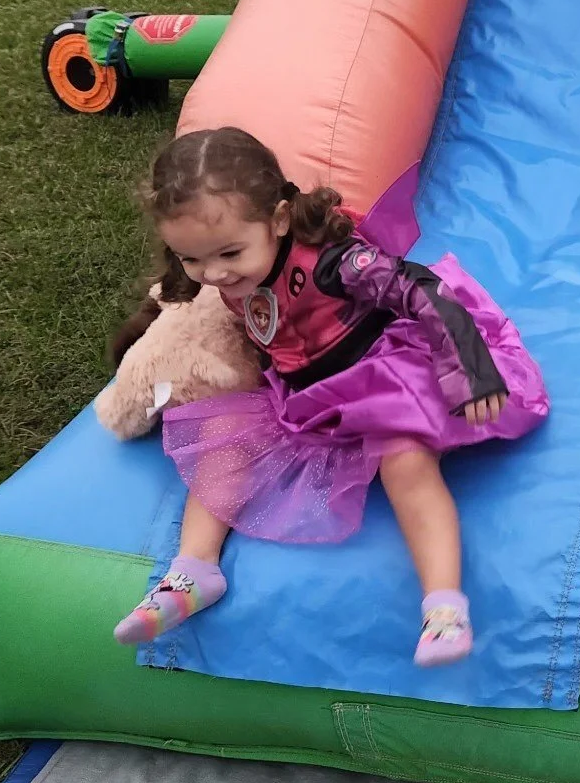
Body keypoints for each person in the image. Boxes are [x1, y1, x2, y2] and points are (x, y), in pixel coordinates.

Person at [110, 128, 548, 665]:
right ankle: (193, 572)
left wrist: (467, 366)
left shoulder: (335, 264)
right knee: (223, 437)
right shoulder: (218, 271)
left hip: (384, 373)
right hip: (309, 393)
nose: (215, 274)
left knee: (404, 460)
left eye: (229, 253)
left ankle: (444, 607)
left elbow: (420, 289)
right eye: (193, 260)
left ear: (278, 219)